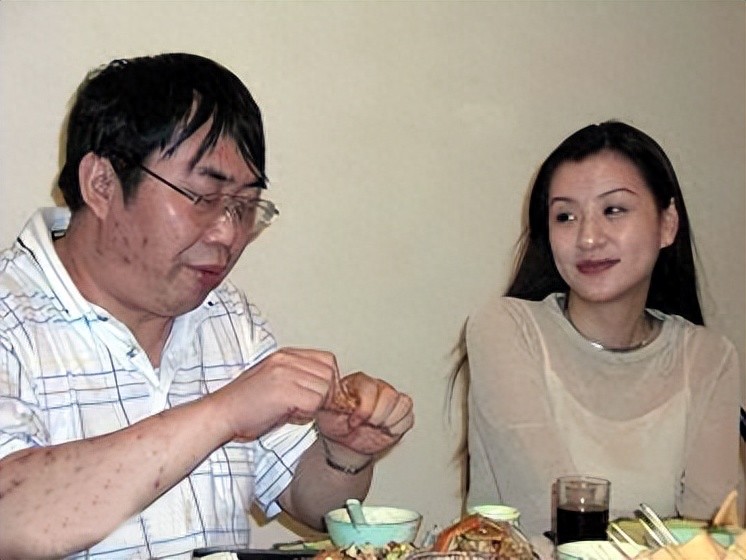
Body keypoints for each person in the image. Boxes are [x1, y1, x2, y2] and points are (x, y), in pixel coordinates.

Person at [0, 53, 414, 559]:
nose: (227, 234)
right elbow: (10, 524)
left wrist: (343, 452)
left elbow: (311, 501)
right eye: (202, 198)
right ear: (102, 184)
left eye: (245, 207)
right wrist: (224, 412)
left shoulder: (227, 316)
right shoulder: (10, 314)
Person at [462, 120, 741, 538]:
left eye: (613, 210)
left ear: (667, 224)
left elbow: (710, 538)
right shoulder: (506, 329)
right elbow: (553, 521)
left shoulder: (708, 358)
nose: (588, 238)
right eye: (565, 216)